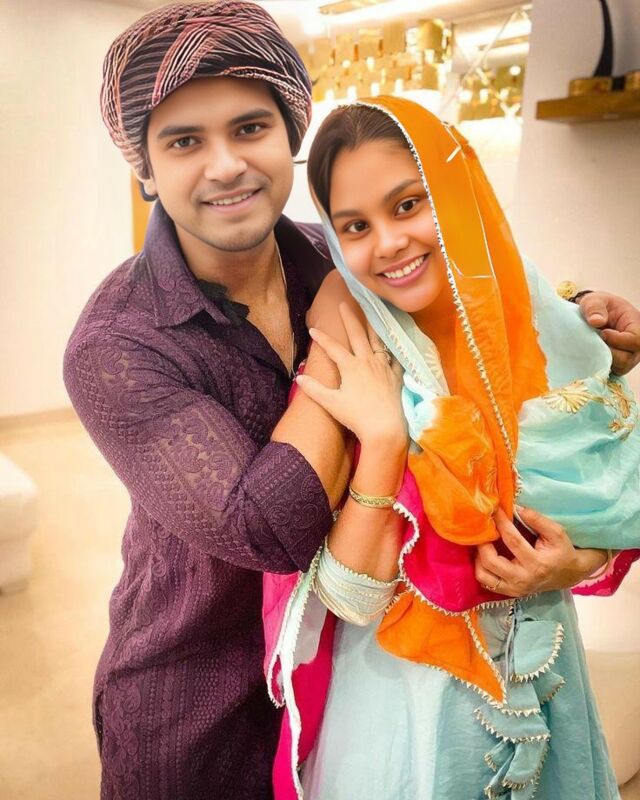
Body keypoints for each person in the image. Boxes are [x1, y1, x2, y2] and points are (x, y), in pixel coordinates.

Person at [64, 2, 639, 798]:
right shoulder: (118, 344)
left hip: (365, 680)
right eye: (184, 141)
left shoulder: (336, 251)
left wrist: (578, 319)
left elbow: (463, 324)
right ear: (145, 168)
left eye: (250, 128)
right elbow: (267, 526)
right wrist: (378, 425)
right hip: (203, 692)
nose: (226, 165)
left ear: (289, 137)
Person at [263, 97, 640, 800]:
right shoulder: (353, 346)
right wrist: (385, 437)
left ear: (458, 192)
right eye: (355, 226)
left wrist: (573, 563)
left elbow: (613, 502)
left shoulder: (549, 327)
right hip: (405, 705)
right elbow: (350, 595)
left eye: (409, 204)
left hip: (547, 668)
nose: (388, 243)